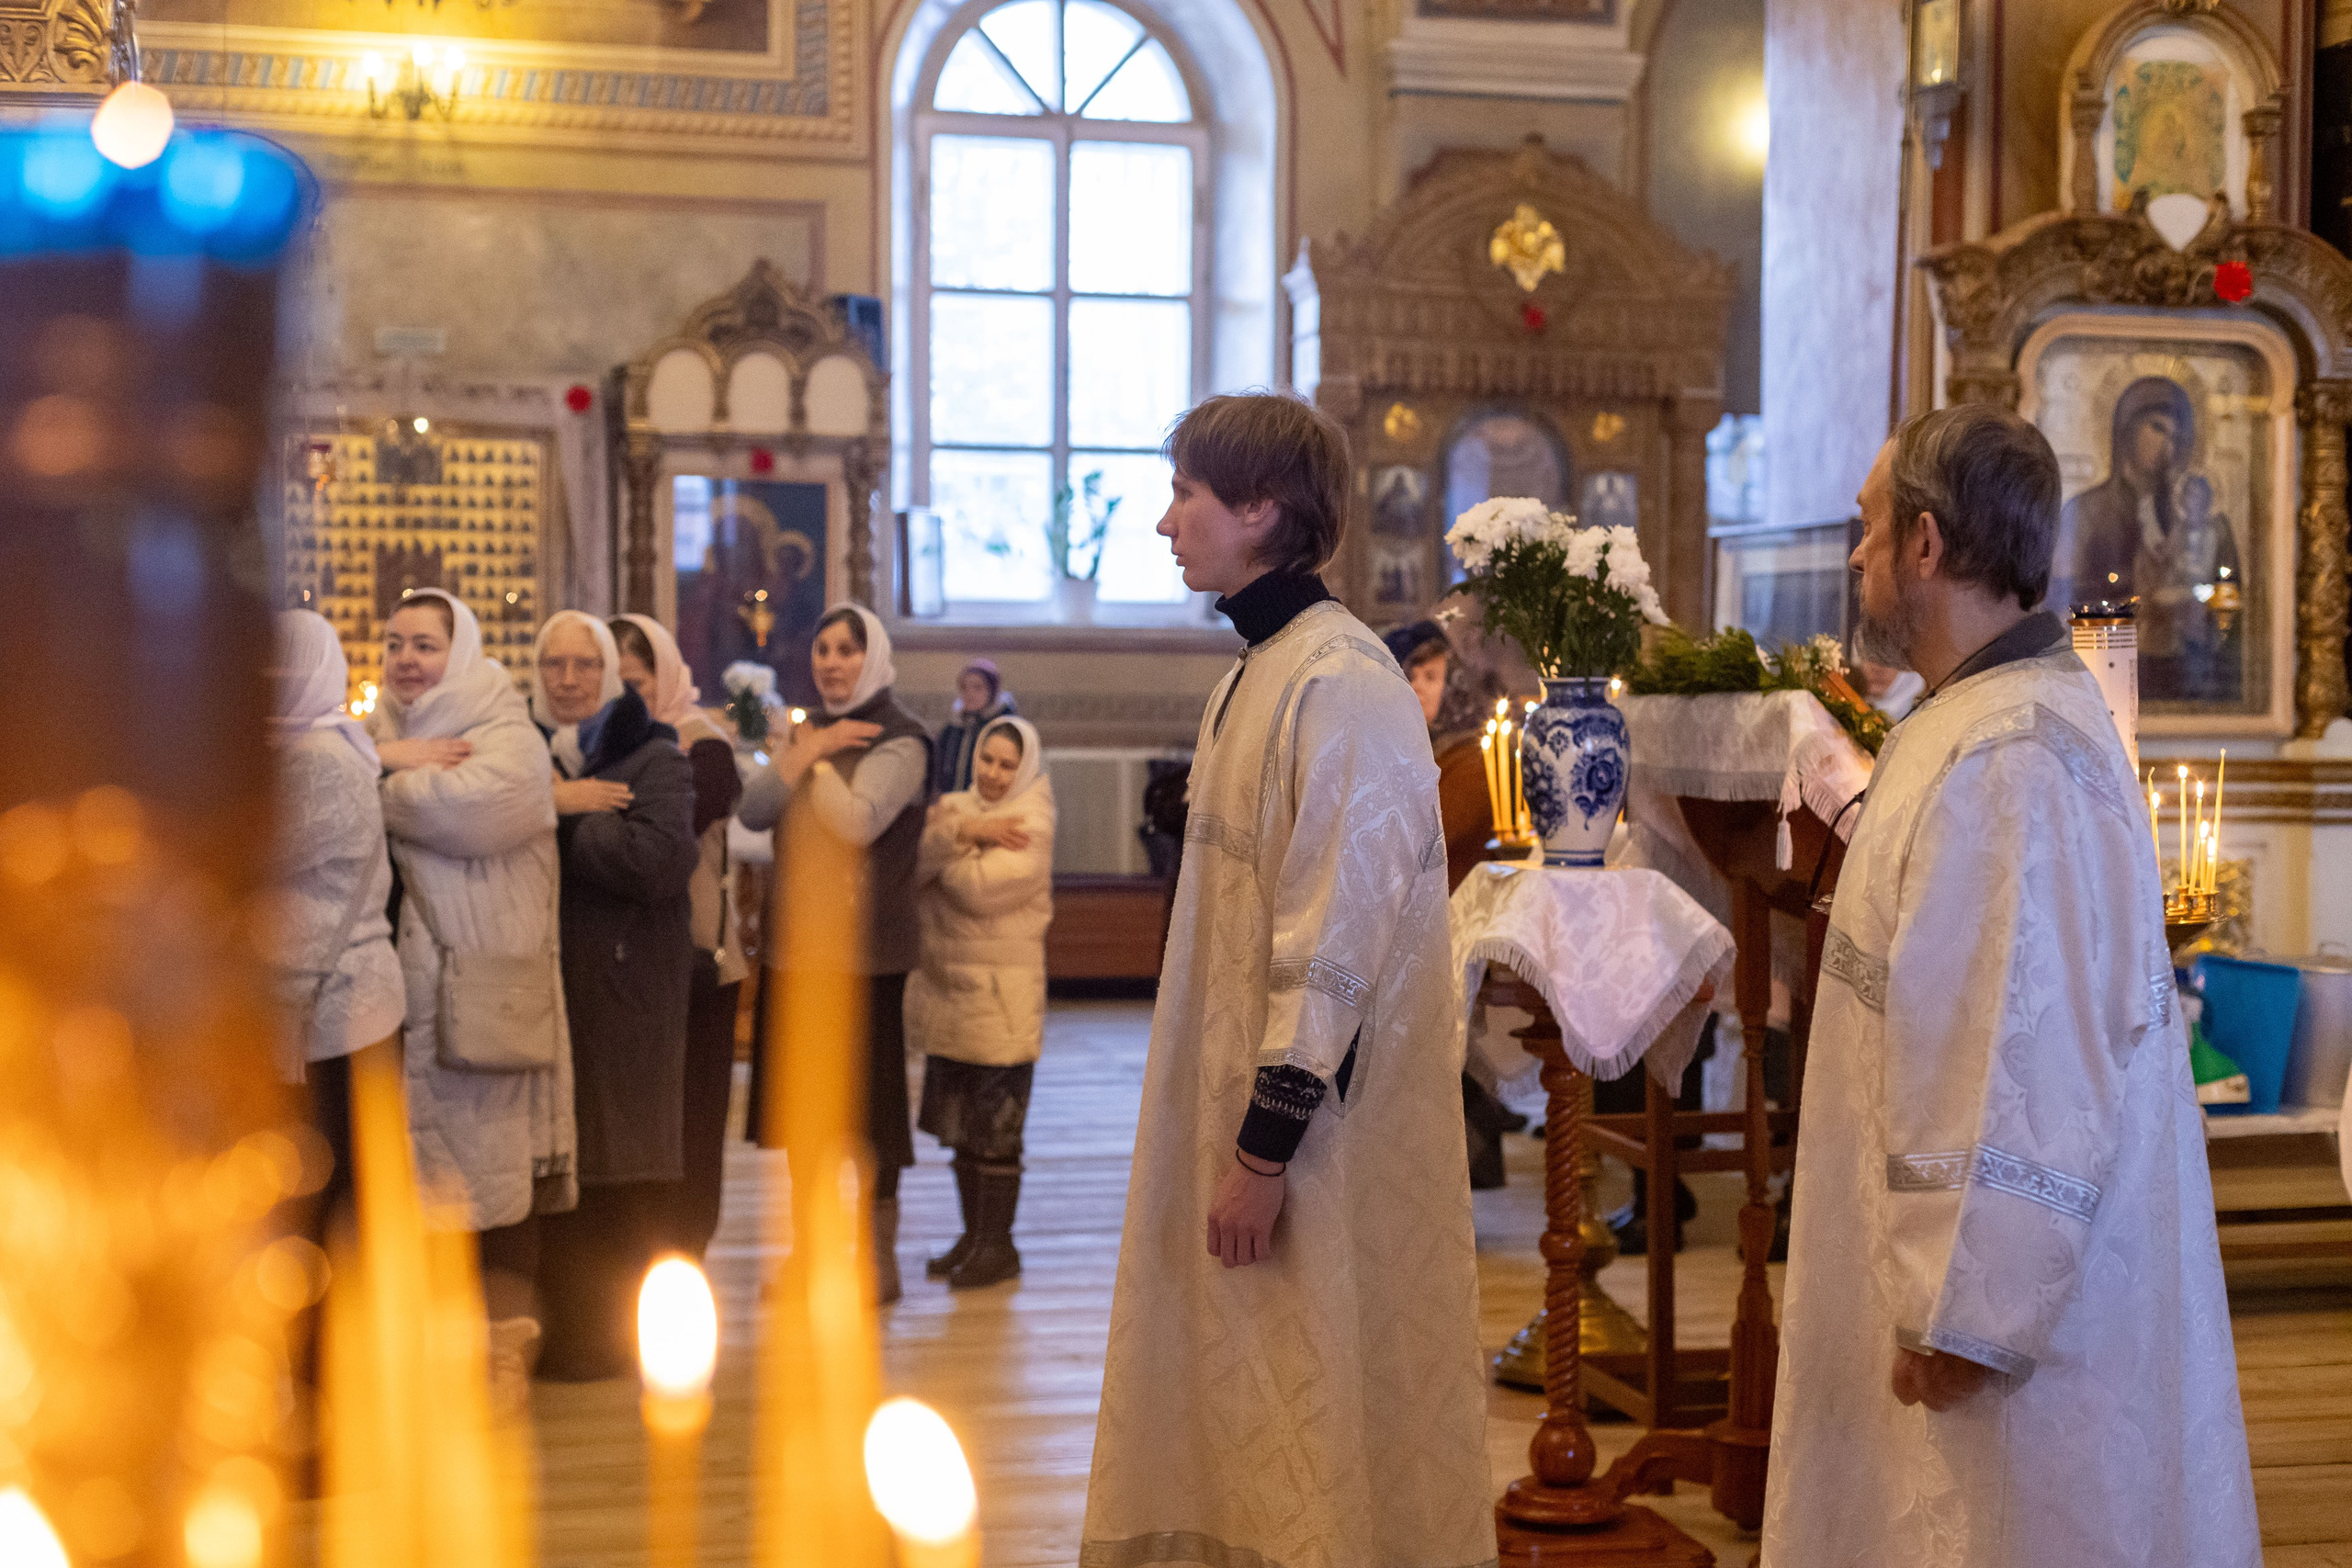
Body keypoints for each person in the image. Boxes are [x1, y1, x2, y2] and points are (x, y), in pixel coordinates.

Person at [1764, 404, 2257, 1565]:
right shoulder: (1971, 722)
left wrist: (1964, 1312)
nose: (1855, 555)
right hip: (1943, 1288)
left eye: (1870, 527)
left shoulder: (2013, 754)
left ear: (1927, 545)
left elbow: (2022, 1051)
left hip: (2004, 1339)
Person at [1081, 394, 1493, 1568]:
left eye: (1186, 496)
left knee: (1305, 1397)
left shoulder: (1343, 681)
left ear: (1261, 507)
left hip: (1309, 1149)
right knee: (1237, 1396)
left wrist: (1263, 1153)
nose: (1166, 525)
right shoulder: (1253, 674)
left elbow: (1336, 946)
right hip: (1232, 1120)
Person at [368, 589, 572, 1414]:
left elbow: (475, 809)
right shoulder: (388, 734)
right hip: (412, 1003)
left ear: (460, 651)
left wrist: (381, 776)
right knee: (432, 1185)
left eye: (424, 643)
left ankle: (501, 1363)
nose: (407, 658)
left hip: (484, 999)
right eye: (395, 642)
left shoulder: (502, 728)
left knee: (493, 1184)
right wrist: (389, 759)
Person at [738, 603, 932, 1304]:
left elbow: (855, 821)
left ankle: (876, 1261)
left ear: (872, 656)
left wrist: (809, 760)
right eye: (822, 649)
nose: (831, 661)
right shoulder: (810, 732)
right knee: (804, 1114)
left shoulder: (903, 737)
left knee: (871, 1117)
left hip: (866, 958)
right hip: (797, 952)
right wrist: (803, 751)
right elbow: (753, 811)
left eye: (847, 649)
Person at [528, 610, 699, 1381]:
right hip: (552, 982)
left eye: (583, 666)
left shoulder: (652, 754)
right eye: (553, 665)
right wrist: (562, 800)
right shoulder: (523, 750)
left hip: (629, 985)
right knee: (569, 1162)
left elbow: (661, 857)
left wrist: (578, 818)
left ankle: (625, 1336)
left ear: (608, 675)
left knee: (627, 1167)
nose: (568, 680)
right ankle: (568, 1331)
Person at [266, 610, 406, 1235]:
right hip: (324, 997)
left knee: (337, 1181)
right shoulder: (312, 746)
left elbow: (262, 855)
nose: (273, 676)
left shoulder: (321, 757)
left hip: (340, 1001)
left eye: (286, 663)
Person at [613, 613, 745, 1264]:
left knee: (692, 1117)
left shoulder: (705, 745)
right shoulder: (597, 742)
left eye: (633, 682)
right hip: (619, 961)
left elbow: (662, 833)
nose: (622, 697)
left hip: (696, 962)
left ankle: (686, 1249)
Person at [908, 716, 1056, 1291]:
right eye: (987, 760)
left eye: (1006, 764)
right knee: (961, 1129)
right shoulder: (958, 809)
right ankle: (973, 1237)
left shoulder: (1033, 820)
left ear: (1025, 769)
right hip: (949, 995)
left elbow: (977, 891)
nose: (993, 773)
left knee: (996, 1129)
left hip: (1001, 1002)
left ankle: (999, 1245)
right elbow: (912, 866)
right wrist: (971, 835)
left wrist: (956, 841)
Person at [931, 658, 1018, 798]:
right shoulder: (953, 727)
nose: (969, 693)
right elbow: (938, 765)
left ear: (992, 691)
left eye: (978, 687)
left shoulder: (1004, 728)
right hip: (953, 802)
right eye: (964, 688)